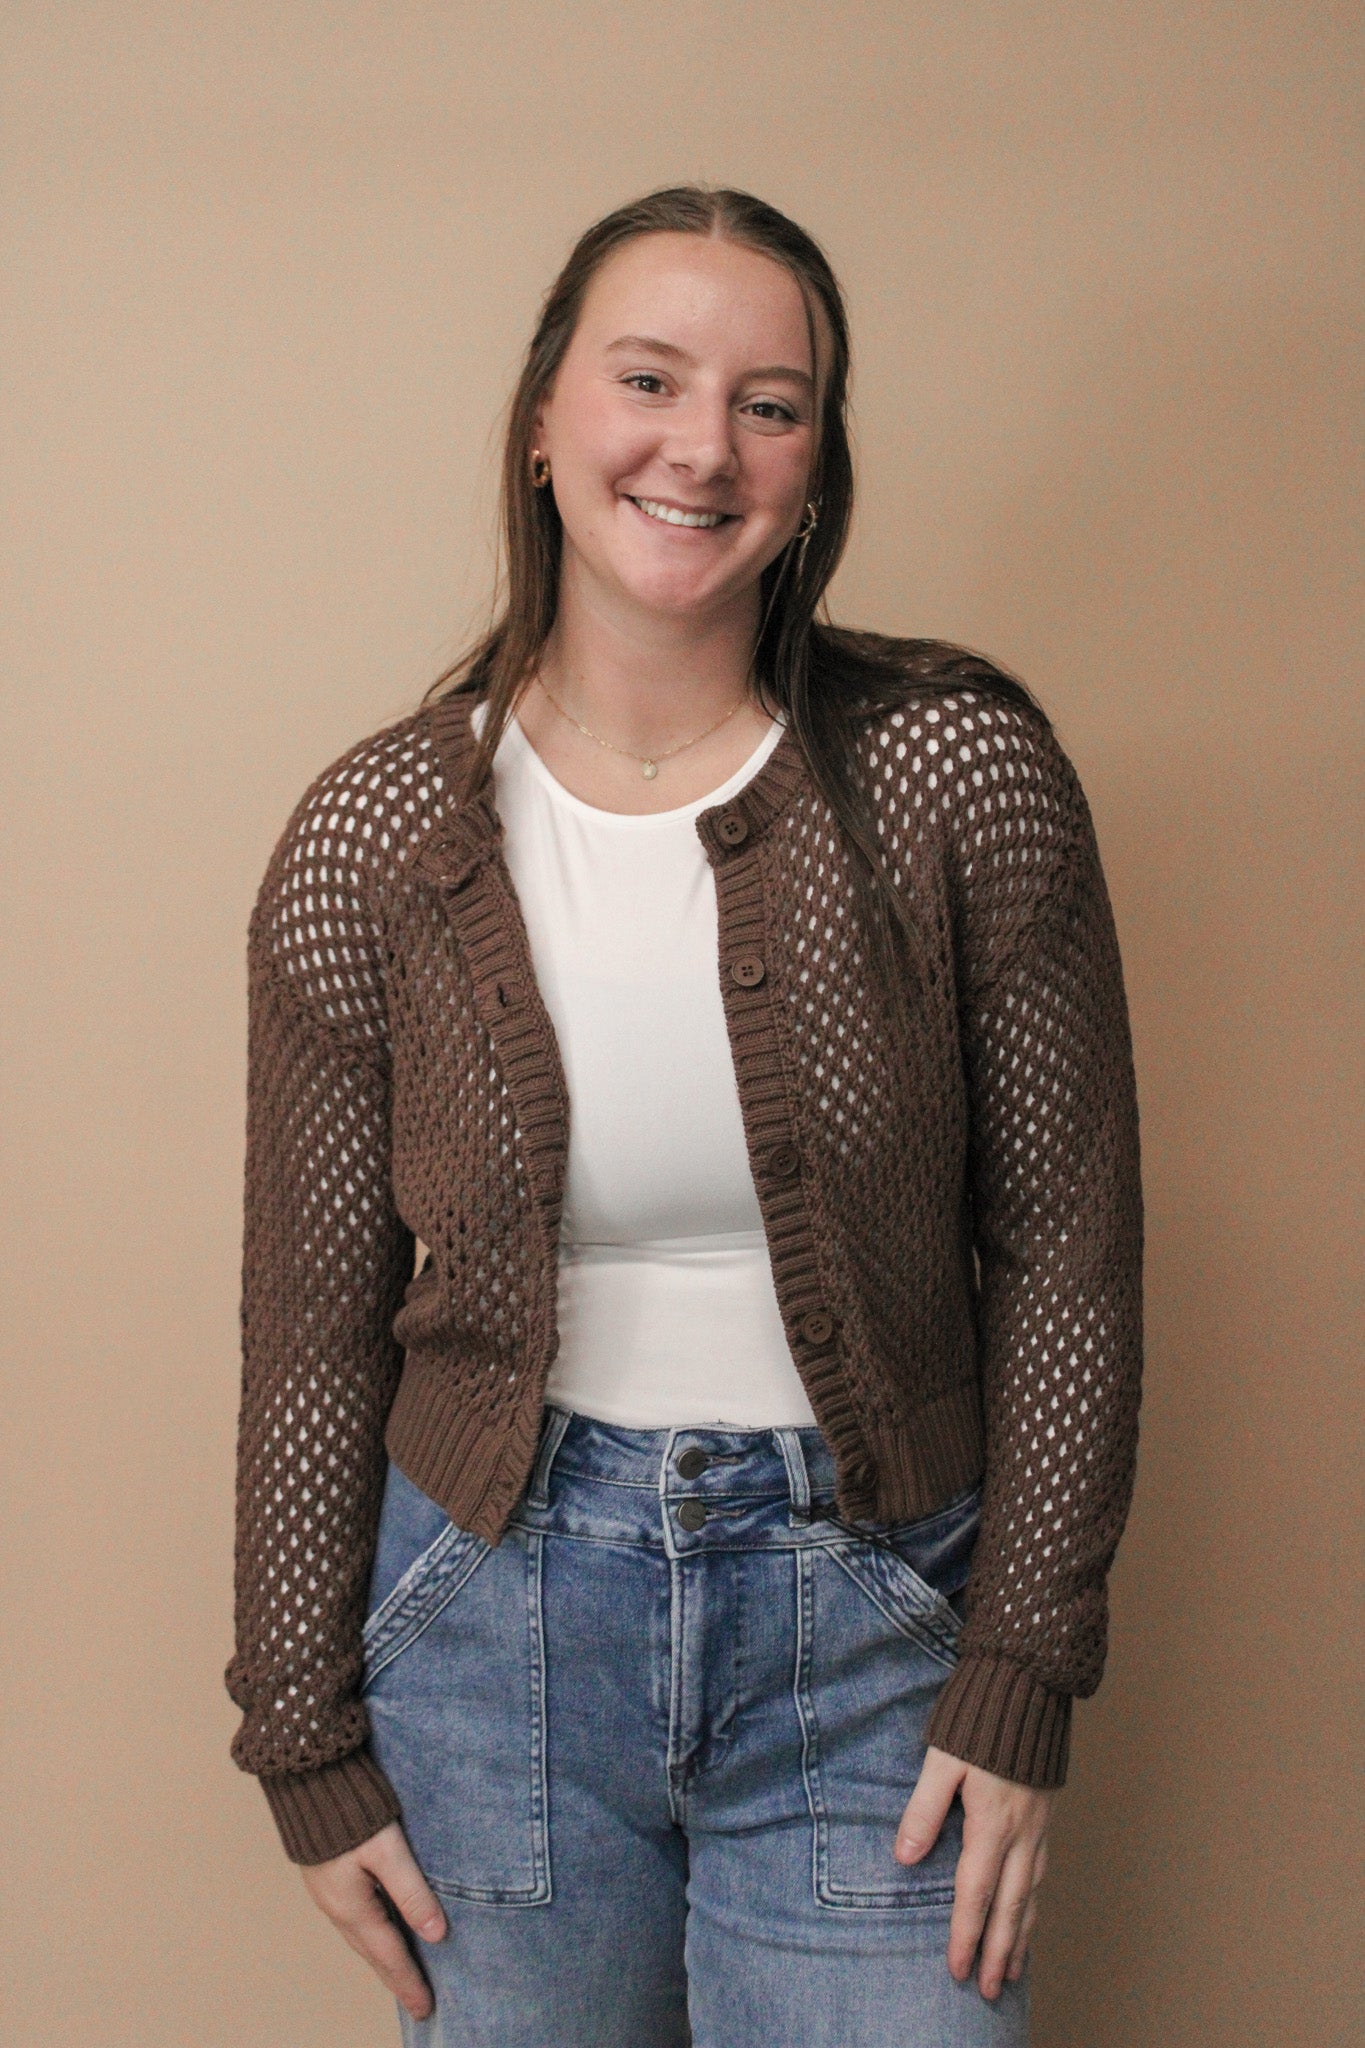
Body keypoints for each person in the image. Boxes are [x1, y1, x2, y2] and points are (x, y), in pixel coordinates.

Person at [226, 185, 1144, 2048]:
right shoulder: (371, 839)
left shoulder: (956, 775)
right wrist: (302, 1738)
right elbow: (310, 1324)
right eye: (647, 379)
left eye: (768, 404)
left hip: (875, 1626)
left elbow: (1067, 1247)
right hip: (489, 1630)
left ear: (814, 467)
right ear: (541, 421)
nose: (701, 447)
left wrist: (1022, 1668)